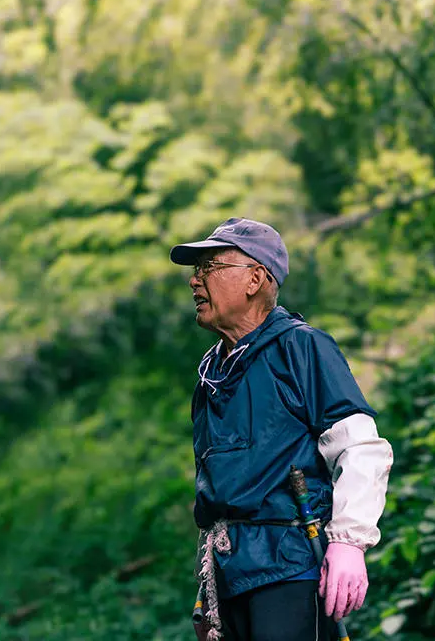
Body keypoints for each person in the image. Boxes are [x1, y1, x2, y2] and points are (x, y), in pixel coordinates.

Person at [170, 217, 393, 641]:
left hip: (291, 566)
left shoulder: (302, 347)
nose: (195, 282)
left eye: (209, 267)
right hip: (228, 575)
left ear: (255, 278)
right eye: (196, 271)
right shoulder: (212, 372)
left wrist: (349, 544)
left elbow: (361, 447)